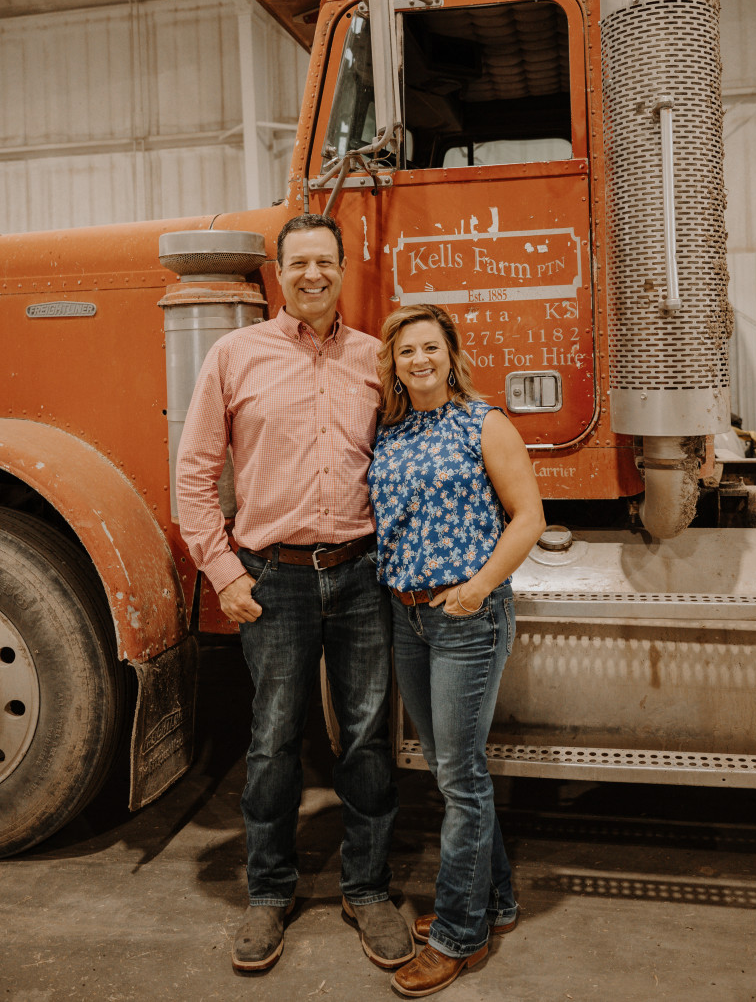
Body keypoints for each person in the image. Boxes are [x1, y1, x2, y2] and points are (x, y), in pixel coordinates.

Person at [175, 214, 413, 976]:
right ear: (280, 273)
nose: (313, 273)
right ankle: (269, 891)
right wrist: (225, 571)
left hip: (361, 569)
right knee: (274, 737)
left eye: (326, 261)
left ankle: (367, 887)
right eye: (299, 261)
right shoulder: (234, 355)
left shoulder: (378, 359)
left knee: (368, 736)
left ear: (345, 269)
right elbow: (195, 473)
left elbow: (409, 462)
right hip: (271, 576)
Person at [367, 304, 546, 997]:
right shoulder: (394, 430)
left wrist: (476, 589)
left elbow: (529, 516)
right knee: (450, 769)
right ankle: (495, 901)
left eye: (430, 347)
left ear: (450, 354)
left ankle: (459, 935)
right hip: (409, 617)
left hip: (466, 616)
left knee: (461, 778)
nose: (418, 359)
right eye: (406, 349)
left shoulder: (484, 422)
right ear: (394, 361)